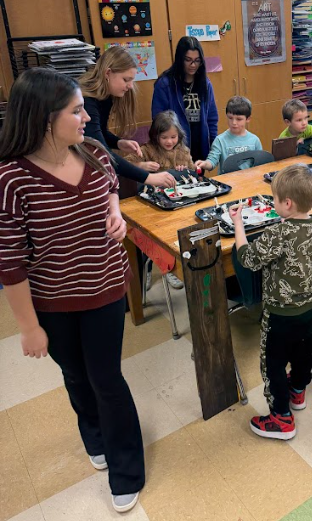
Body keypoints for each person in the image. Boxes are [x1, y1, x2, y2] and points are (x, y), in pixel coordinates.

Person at [0, 69, 144, 513]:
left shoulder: (96, 151)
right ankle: (94, 434)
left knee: (106, 378)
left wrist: (115, 216)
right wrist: (28, 329)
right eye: (76, 110)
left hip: (104, 288)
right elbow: (10, 263)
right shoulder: (11, 178)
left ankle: (126, 468)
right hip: (53, 304)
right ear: (46, 119)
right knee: (77, 376)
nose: (87, 117)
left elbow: (111, 191)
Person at [230, 164, 312, 440]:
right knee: (302, 349)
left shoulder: (279, 234)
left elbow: (248, 258)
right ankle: (298, 390)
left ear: (287, 203)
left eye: (274, 199)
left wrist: (238, 223)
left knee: (273, 364)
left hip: (279, 313)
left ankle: (281, 418)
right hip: (309, 308)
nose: (273, 203)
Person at [80, 46, 175, 189]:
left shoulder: (106, 98)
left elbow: (98, 132)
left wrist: (119, 143)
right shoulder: (87, 101)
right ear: (108, 73)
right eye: (126, 79)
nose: (130, 86)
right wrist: (148, 177)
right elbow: (101, 153)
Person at [125, 110, 195, 291]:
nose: (170, 141)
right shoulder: (147, 150)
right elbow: (124, 165)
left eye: (173, 137)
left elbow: (194, 172)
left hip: (178, 205)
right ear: (156, 136)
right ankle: (148, 270)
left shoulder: (183, 151)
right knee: (148, 237)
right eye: (164, 137)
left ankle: (171, 267)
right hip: (151, 207)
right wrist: (141, 166)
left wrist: (184, 170)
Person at [152, 36, 218, 162]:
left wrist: (213, 146)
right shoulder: (165, 84)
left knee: (198, 180)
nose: (193, 65)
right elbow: (158, 120)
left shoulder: (205, 83)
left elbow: (212, 118)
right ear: (180, 59)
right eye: (188, 60)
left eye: (197, 60)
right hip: (173, 149)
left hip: (199, 146)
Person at [195, 96, 262, 174]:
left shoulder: (254, 140)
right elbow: (212, 161)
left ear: (248, 119)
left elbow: (260, 164)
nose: (234, 122)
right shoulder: (220, 140)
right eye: (230, 118)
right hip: (228, 183)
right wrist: (205, 164)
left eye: (239, 119)